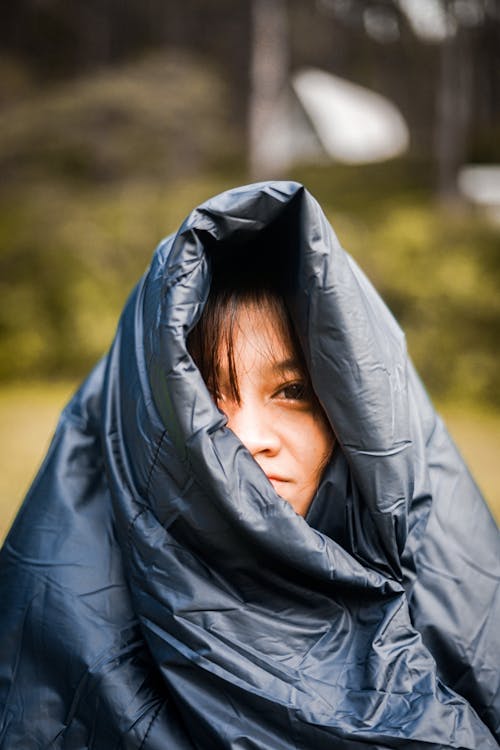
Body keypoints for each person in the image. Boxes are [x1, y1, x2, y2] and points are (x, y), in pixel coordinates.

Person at [0, 181, 498, 749]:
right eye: (206, 403)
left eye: (291, 391)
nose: (249, 441)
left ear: (358, 417)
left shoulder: (444, 600)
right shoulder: (66, 637)